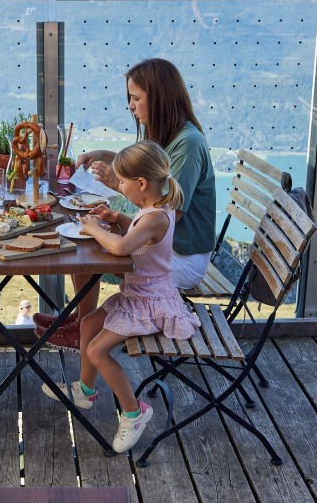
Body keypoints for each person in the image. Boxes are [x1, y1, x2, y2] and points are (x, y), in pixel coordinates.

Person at [34, 58, 215, 349]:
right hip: (165, 248)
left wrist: (116, 183)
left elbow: (170, 213)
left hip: (178, 258)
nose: (130, 105)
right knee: (89, 238)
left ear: (159, 98)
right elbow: (149, 173)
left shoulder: (188, 145)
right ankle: (82, 321)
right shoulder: (168, 133)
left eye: (136, 97)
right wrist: (108, 156)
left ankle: (84, 328)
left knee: (90, 247)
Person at [41, 141, 199, 453]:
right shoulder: (153, 209)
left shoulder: (155, 216)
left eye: (122, 182)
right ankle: (85, 391)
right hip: (137, 294)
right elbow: (139, 233)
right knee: (88, 324)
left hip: (150, 304)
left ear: (141, 184)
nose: (119, 186)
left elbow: (121, 248)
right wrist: (117, 218)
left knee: (98, 350)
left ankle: (133, 411)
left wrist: (93, 227)